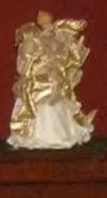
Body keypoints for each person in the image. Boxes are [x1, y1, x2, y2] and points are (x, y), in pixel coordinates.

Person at [8, 12, 94, 148]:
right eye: (46, 24)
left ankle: (73, 124)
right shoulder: (33, 40)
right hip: (38, 81)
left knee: (60, 88)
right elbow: (25, 68)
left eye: (50, 23)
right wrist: (41, 68)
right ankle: (38, 134)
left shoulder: (58, 41)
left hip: (56, 79)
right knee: (48, 89)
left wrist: (76, 50)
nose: (50, 27)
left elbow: (67, 62)